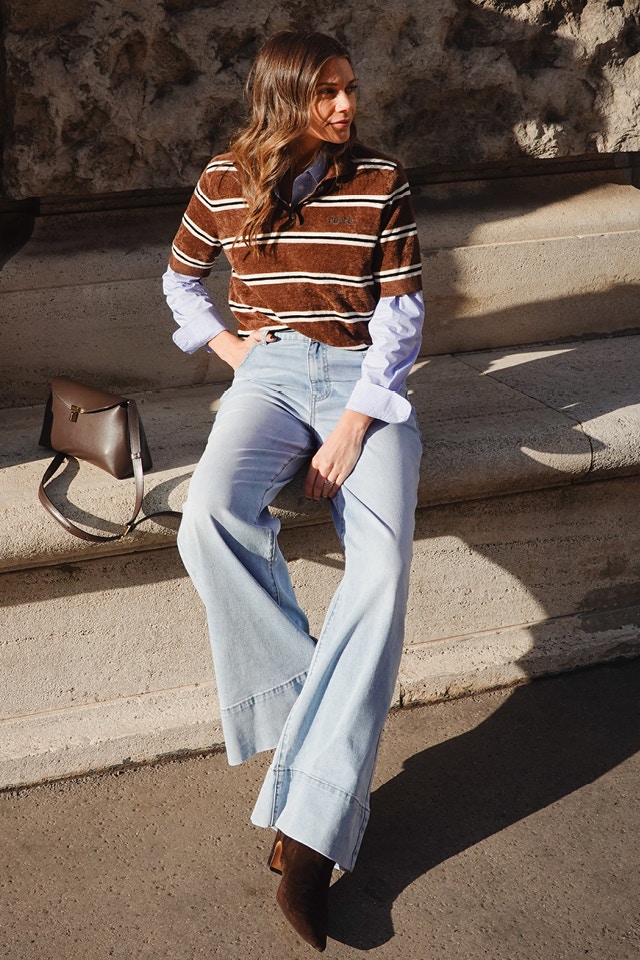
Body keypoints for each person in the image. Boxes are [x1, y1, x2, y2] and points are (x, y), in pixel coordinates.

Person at [163, 29, 423, 951]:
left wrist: (355, 424)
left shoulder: (381, 179)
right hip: (269, 373)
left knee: (382, 573)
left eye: (349, 88)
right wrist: (235, 350)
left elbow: (400, 316)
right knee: (206, 520)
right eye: (326, 94)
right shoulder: (226, 177)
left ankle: (309, 840)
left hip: (365, 383)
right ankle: (320, 701)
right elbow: (181, 278)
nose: (346, 106)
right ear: (283, 99)